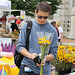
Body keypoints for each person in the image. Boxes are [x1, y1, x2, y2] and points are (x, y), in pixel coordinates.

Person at [17, 1, 58, 75]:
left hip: (44, 71)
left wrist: (45, 58)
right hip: (27, 67)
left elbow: (54, 53)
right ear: (36, 12)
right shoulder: (27, 26)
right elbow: (20, 46)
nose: (42, 19)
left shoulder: (53, 30)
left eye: (45, 17)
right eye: (40, 16)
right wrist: (30, 55)